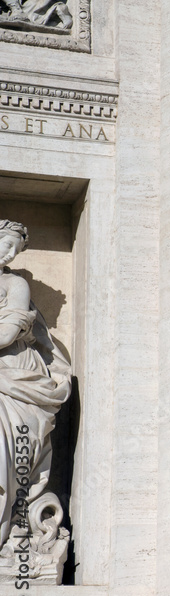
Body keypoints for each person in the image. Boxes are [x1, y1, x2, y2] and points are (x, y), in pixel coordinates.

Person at [0, 220, 71, 550]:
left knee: (9, 460)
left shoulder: (16, 285)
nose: (11, 252)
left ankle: (10, 531)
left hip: (15, 376)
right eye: (6, 243)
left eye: (16, 247)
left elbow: (6, 334)